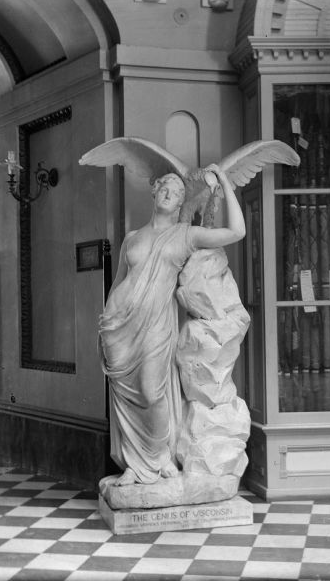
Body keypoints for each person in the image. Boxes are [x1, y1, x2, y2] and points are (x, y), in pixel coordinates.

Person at [98, 164, 245, 486]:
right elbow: (118, 282)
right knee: (126, 399)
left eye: (178, 192)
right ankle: (135, 467)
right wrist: (106, 323)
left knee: (152, 393)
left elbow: (236, 232)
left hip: (155, 327)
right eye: (165, 186)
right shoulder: (132, 238)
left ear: (182, 203)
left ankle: (159, 457)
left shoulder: (186, 235)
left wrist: (223, 182)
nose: (170, 193)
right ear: (154, 191)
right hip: (118, 327)